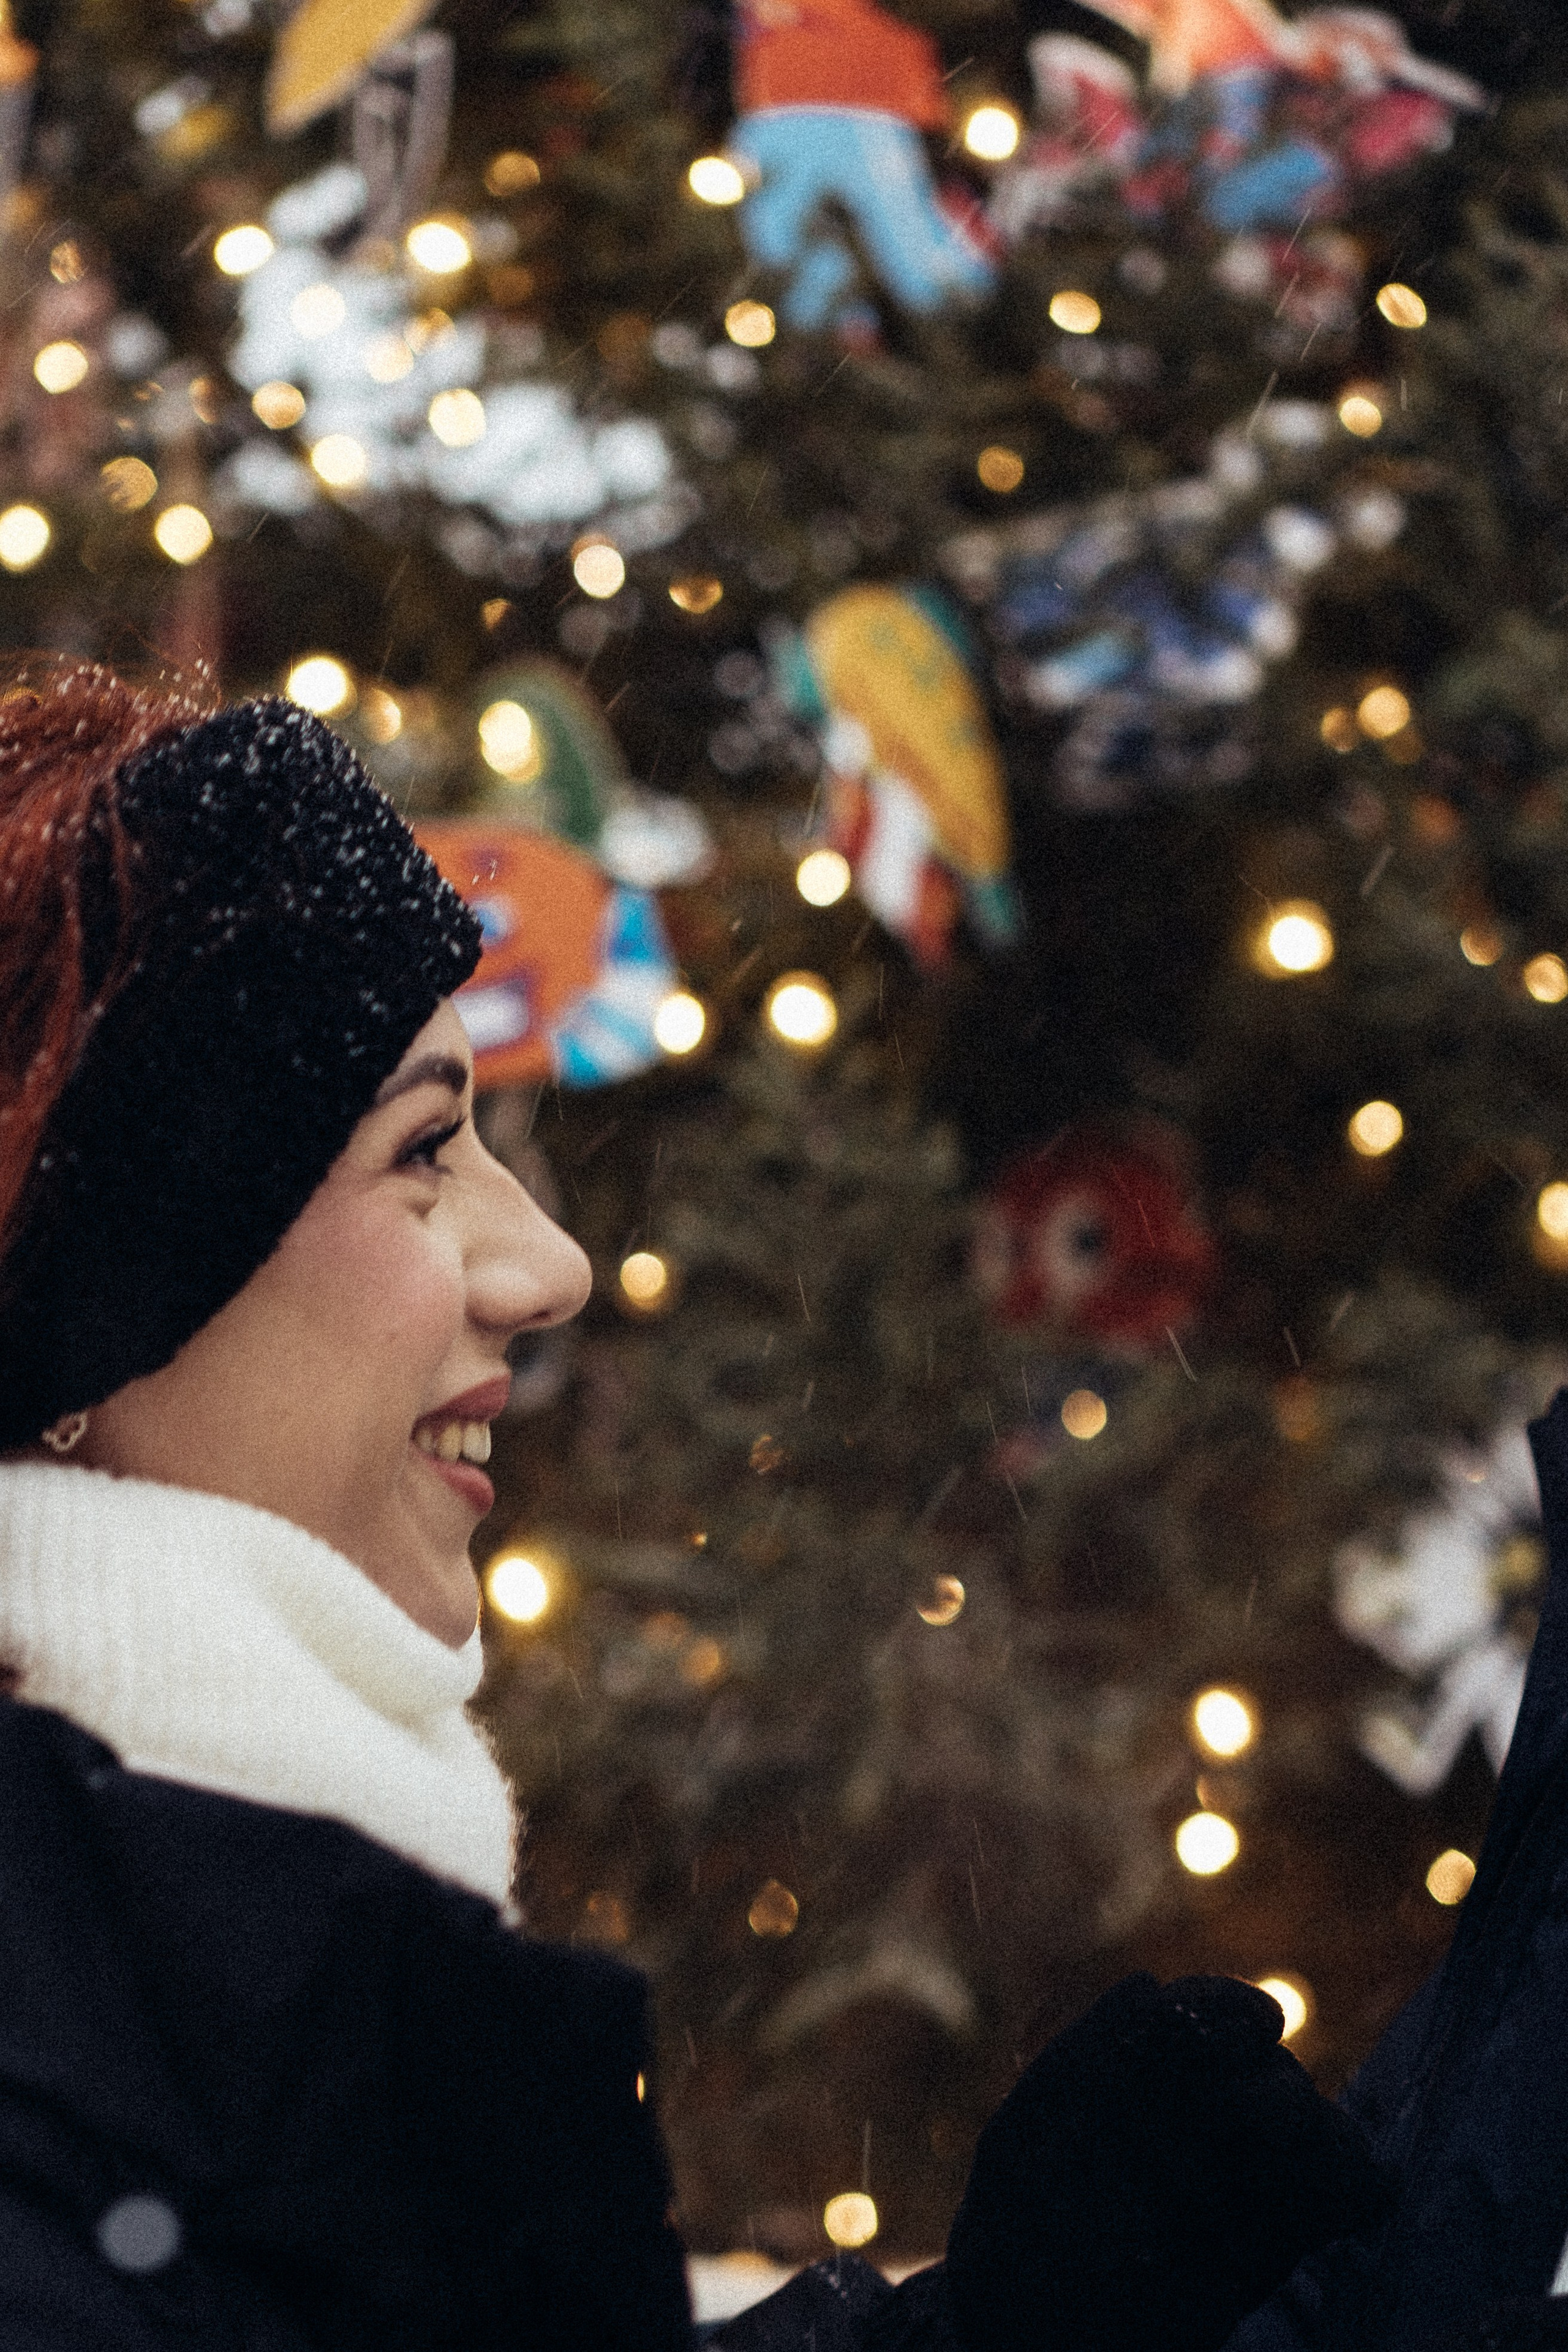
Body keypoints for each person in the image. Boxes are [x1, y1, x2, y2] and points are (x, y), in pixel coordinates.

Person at [0, 662, 1389, 2348]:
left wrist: (1011, 2326)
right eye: (423, 1150)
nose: (549, 1264)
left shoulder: (200, 1975)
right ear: (88, 1296)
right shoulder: (135, 2049)